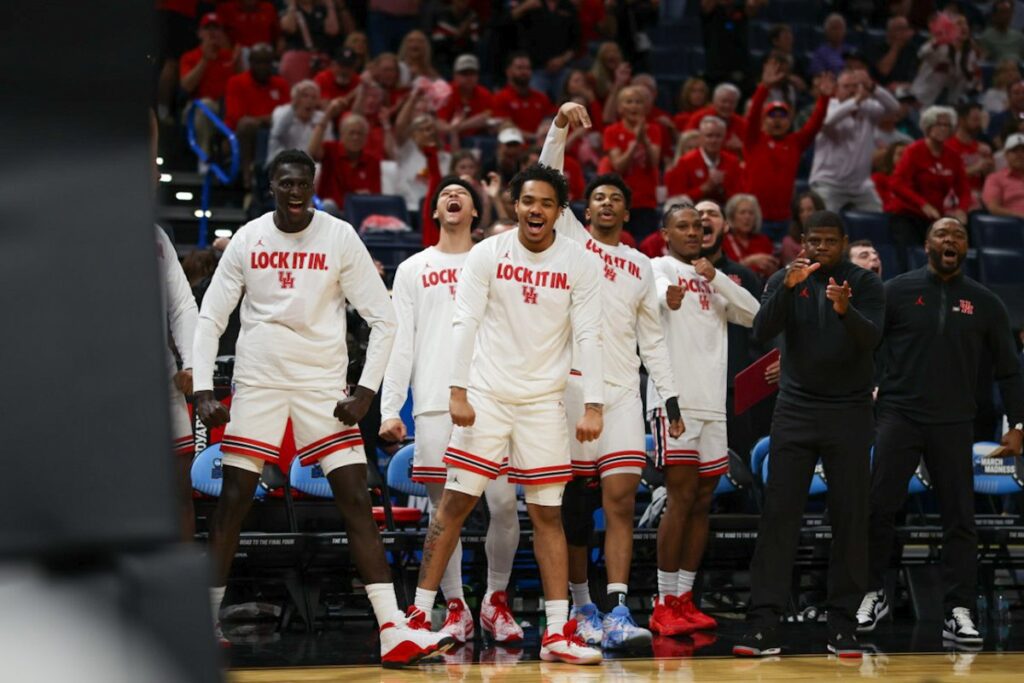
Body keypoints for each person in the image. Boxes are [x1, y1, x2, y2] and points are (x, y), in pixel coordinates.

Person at [192, 150, 451, 664]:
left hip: (320, 385)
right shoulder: (248, 238)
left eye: (303, 184)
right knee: (234, 502)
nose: (294, 192)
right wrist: (203, 388)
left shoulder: (338, 236)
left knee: (356, 498)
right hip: (260, 381)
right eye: (285, 183)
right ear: (271, 185)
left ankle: (392, 629)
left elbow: (384, 318)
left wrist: (366, 392)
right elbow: (210, 317)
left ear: (313, 185)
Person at [405, 163, 605, 666]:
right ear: (515, 205)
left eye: (546, 203)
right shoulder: (488, 253)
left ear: (559, 212)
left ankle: (558, 631)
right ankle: (415, 621)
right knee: (452, 507)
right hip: (488, 397)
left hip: (543, 402)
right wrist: (458, 391)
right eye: (527, 201)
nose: (535, 210)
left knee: (547, 514)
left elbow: (589, 335)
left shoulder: (579, 262)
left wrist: (596, 404)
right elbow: (464, 321)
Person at [540, 102, 683, 651]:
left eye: (614, 198)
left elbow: (653, 338)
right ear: (586, 208)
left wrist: (668, 396)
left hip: (623, 390)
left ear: (626, 212)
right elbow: (548, 175)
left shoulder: (642, 264)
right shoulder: (570, 238)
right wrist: (560, 129)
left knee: (620, 498)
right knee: (575, 506)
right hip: (573, 388)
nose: (604, 203)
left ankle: (619, 607)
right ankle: (581, 607)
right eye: (596, 196)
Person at [857, 217, 1024, 643]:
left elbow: (1009, 369)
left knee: (960, 518)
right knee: (879, 508)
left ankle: (958, 609)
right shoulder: (896, 291)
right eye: (941, 234)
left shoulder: (985, 302)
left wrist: (1019, 424)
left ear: (966, 247)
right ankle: (873, 594)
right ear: (926, 244)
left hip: (954, 420)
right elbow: (866, 347)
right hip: (899, 414)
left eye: (958, 235)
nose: (950, 240)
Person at [379, 176, 524, 645]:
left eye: (462, 194)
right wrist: (389, 408)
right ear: (435, 212)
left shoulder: (496, 261)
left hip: (492, 400)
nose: (453, 197)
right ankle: (456, 607)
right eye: (444, 195)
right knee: (445, 512)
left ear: (476, 212)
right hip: (435, 404)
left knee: (503, 506)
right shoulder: (413, 268)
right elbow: (400, 344)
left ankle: (495, 602)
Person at [734, 210, 884, 658]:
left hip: (850, 412)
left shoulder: (867, 283)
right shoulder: (787, 277)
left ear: (843, 241)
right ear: (802, 242)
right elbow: (760, 332)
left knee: (850, 520)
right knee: (779, 517)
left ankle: (843, 625)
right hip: (796, 410)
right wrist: (786, 289)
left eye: (829, 242)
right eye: (813, 241)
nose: (821, 249)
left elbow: (873, 339)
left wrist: (845, 310)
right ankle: (764, 625)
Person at [648, 203, 760, 641]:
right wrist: (668, 297)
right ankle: (661, 602)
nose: (694, 231)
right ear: (665, 233)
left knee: (702, 499)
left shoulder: (714, 278)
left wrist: (717, 281)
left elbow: (754, 315)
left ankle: (684, 598)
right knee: (679, 497)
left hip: (713, 405)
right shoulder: (655, 267)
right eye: (684, 226)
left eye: (698, 225)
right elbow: (658, 296)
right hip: (673, 401)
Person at [151, 111, 200, 541]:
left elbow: (183, 307)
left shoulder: (157, 238)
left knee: (178, 494)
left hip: (163, 383)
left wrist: (192, 364)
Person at [697, 200, 765, 461]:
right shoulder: (672, 273)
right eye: (699, 213)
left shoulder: (744, 276)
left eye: (712, 213)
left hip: (734, 391)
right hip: (691, 389)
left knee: (738, 468)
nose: (704, 217)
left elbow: (760, 331)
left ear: (725, 226)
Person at [744, 60, 833, 233]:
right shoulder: (754, 140)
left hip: (784, 218)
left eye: (782, 116)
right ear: (764, 121)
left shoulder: (795, 143)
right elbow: (752, 116)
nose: (777, 119)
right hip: (756, 217)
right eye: (772, 115)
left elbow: (814, 125)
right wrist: (764, 87)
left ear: (790, 121)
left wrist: (824, 98)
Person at [810, 68, 900, 212]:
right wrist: (856, 100)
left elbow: (894, 109)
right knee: (823, 225)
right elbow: (827, 121)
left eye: (856, 86)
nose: (852, 90)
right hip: (829, 184)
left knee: (877, 222)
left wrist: (872, 86)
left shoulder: (868, 108)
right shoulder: (828, 107)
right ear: (836, 89)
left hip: (861, 186)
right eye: (846, 86)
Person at [889, 106, 970, 261]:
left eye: (947, 125)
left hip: (935, 217)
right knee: (909, 254)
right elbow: (896, 183)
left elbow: (964, 188)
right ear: (927, 126)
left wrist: (962, 209)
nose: (943, 129)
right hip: (908, 214)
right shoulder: (914, 150)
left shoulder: (953, 156)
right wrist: (922, 204)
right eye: (938, 124)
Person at [224, 44, 291, 190]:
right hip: (239, 136)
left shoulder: (281, 84)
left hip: (273, 134)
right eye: (259, 62)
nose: (263, 66)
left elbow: (287, 115)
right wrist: (270, 119)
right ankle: (248, 176)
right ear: (251, 62)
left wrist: (261, 120)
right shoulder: (236, 82)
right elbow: (236, 117)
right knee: (247, 125)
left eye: (267, 62)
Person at [603, 86, 663, 240]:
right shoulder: (612, 131)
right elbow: (618, 166)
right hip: (620, 202)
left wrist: (645, 141)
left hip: (646, 202)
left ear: (645, 107)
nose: (634, 106)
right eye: (629, 102)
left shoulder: (654, 130)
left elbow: (654, 162)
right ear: (619, 107)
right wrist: (635, 143)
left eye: (638, 102)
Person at [179, 13, 240, 159]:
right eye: (207, 28)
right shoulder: (190, 57)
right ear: (200, 33)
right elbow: (186, 87)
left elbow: (239, 87)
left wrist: (238, 63)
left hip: (224, 107)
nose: (212, 32)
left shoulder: (229, 56)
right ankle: (205, 159)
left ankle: (233, 159)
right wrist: (205, 60)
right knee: (204, 106)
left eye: (216, 28)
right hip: (195, 108)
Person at [309, 111, 383, 214]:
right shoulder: (330, 150)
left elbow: (375, 197)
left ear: (366, 138)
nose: (355, 137)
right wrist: (327, 116)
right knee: (328, 205)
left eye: (359, 133)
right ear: (342, 135)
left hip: (358, 213)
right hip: (329, 213)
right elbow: (312, 152)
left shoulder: (372, 161)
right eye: (351, 133)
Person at [665, 116, 744, 208]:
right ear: (700, 138)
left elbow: (739, 198)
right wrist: (704, 188)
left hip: (725, 214)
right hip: (693, 213)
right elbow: (677, 200)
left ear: (724, 138)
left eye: (718, 136)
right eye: (709, 136)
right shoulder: (685, 162)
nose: (714, 140)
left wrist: (722, 189)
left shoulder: (732, 162)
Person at [510, 0, 580, 102]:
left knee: (572, 101)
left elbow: (576, 41)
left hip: (562, 68)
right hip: (536, 68)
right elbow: (509, 24)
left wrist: (562, 60)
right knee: (534, 102)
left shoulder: (568, 7)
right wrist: (524, 7)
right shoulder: (531, 5)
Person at [493, 52, 556, 141]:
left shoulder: (541, 97)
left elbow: (551, 118)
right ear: (508, 71)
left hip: (541, 145)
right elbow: (506, 129)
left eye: (527, 68)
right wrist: (535, 137)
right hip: (515, 147)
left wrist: (547, 126)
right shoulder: (500, 98)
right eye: (520, 68)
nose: (524, 72)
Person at [267, 80, 328, 166]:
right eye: (304, 96)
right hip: (282, 162)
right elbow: (278, 134)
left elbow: (328, 146)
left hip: (310, 165)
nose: (309, 101)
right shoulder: (281, 112)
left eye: (314, 97)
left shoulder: (321, 118)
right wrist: (294, 106)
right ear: (295, 98)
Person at [722, 194, 778, 278]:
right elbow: (722, 271)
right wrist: (749, 262)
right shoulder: (723, 241)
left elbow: (773, 273)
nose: (747, 217)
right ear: (732, 217)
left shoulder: (764, 241)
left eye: (751, 213)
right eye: (742, 212)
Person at [683, 83, 746, 154]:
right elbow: (685, 144)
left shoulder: (742, 123)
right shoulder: (699, 118)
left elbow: (753, 153)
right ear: (714, 101)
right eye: (724, 101)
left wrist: (741, 147)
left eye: (732, 102)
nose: (728, 105)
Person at [867, 15, 920, 86]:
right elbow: (883, 71)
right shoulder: (875, 48)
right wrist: (896, 46)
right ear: (890, 31)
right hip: (882, 88)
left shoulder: (913, 50)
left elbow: (917, 75)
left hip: (907, 89)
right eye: (901, 29)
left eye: (907, 28)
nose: (906, 32)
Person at [983, 132, 1024, 217]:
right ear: (1006, 155)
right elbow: (993, 208)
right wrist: (1020, 216)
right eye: (1014, 151)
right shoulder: (995, 179)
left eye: (1023, 150)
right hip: (1011, 225)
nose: (1020, 155)